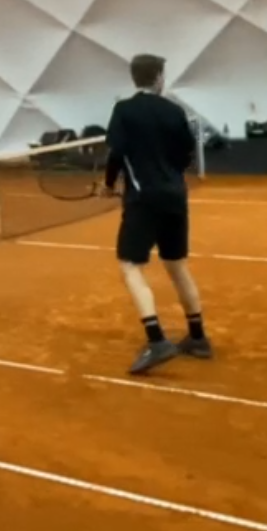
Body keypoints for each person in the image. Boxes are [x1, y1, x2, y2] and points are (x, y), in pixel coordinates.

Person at [102, 55, 209, 375]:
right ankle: (198, 338)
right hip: (175, 196)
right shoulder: (174, 111)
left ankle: (157, 340)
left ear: (135, 78)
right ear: (159, 77)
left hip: (143, 200)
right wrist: (167, 176)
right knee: (176, 264)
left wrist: (109, 184)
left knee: (129, 266)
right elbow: (186, 155)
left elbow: (116, 153)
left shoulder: (124, 110)